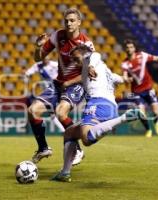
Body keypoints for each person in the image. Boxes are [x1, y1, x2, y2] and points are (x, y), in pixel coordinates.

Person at [51, 44, 145, 182]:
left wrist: (90, 66)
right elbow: (117, 78)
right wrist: (123, 80)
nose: (75, 63)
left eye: (76, 58)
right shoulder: (101, 70)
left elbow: (96, 55)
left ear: (86, 56)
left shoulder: (93, 60)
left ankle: (125, 117)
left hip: (98, 104)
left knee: (86, 139)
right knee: (70, 133)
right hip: (109, 106)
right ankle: (64, 173)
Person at [28, 7, 95, 165]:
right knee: (32, 111)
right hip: (58, 83)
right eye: (66, 20)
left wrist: (70, 82)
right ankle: (43, 148)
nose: (69, 23)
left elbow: (90, 73)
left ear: (79, 22)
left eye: (72, 20)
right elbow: (38, 59)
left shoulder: (86, 44)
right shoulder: (58, 36)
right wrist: (38, 47)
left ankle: (78, 149)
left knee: (60, 112)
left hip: (77, 84)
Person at [121, 39, 158, 138]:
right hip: (136, 92)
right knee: (141, 112)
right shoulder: (125, 63)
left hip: (148, 89)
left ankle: (156, 123)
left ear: (134, 48)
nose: (129, 49)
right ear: (125, 49)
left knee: (156, 112)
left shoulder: (142, 55)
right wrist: (127, 79)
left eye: (131, 47)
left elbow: (157, 58)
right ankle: (148, 129)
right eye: (127, 48)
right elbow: (124, 76)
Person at [23, 57, 65, 132]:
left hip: (55, 90)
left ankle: (65, 130)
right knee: (52, 112)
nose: (46, 59)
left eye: (47, 57)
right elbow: (28, 72)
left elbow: (64, 71)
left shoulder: (55, 65)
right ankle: (64, 130)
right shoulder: (38, 65)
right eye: (44, 57)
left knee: (55, 112)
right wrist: (26, 74)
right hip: (47, 92)